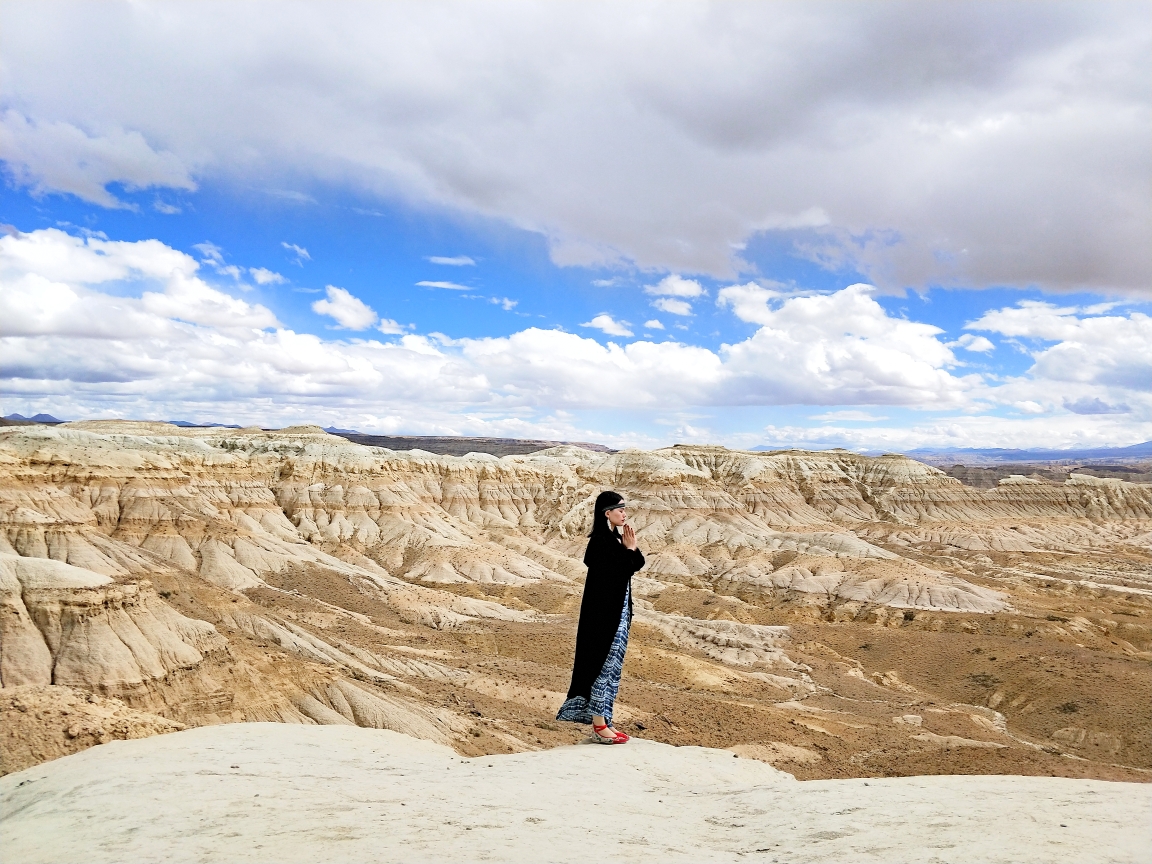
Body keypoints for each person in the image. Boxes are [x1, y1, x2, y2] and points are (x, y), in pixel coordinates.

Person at [556, 490, 644, 744]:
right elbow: (621, 571)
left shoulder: (613, 540)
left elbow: (632, 566)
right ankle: (599, 728)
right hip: (602, 620)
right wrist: (630, 550)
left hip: (614, 617)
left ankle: (604, 721)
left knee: (610, 670)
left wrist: (631, 549)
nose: (624, 514)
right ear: (607, 513)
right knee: (601, 669)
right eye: (619, 509)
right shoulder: (600, 543)